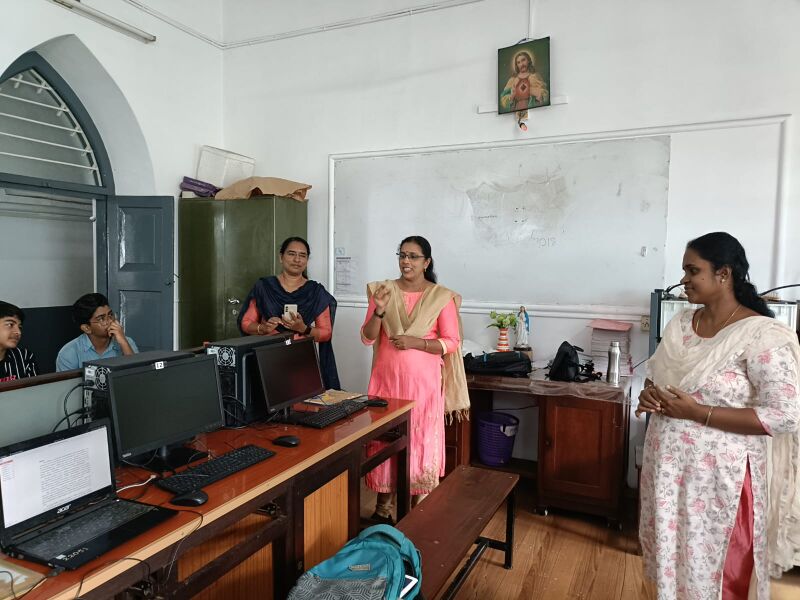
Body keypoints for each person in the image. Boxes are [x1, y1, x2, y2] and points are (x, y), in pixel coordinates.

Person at [637, 232, 800, 599]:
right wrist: (650, 393)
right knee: (673, 562)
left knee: (715, 573)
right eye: (684, 271)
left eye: (693, 271)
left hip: (719, 482)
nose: (684, 279)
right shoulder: (681, 324)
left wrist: (698, 413)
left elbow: (785, 415)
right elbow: (658, 375)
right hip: (668, 471)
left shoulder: (761, 335)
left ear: (723, 274)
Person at [361, 235, 469, 522]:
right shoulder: (382, 291)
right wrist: (379, 310)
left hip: (423, 387)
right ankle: (383, 509)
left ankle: (417, 512)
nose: (406, 261)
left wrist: (416, 343)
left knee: (420, 439)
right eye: (402, 255)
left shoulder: (440, 297)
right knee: (385, 441)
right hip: (386, 383)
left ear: (426, 262)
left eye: (413, 256)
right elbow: (367, 337)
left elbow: (452, 342)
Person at [238, 236, 340, 389]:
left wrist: (303, 329)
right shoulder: (264, 287)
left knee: (303, 400)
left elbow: (326, 333)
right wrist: (263, 328)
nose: (297, 259)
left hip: (302, 360)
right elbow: (246, 323)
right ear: (281, 257)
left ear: (307, 260)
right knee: (267, 399)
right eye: (291, 254)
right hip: (268, 358)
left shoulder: (315, 291)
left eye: (302, 255)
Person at [56, 293, 138, 371]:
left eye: (110, 315)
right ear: (87, 328)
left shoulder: (126, 342)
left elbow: (137, 375)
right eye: (101, 319)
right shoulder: (69, 353)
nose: (110, 321)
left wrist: (123, 342)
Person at [0, 301, 38, 381]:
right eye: (10, 325)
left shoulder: (24, 357)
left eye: (20, 327)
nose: (18, 332)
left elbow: (34, 387)